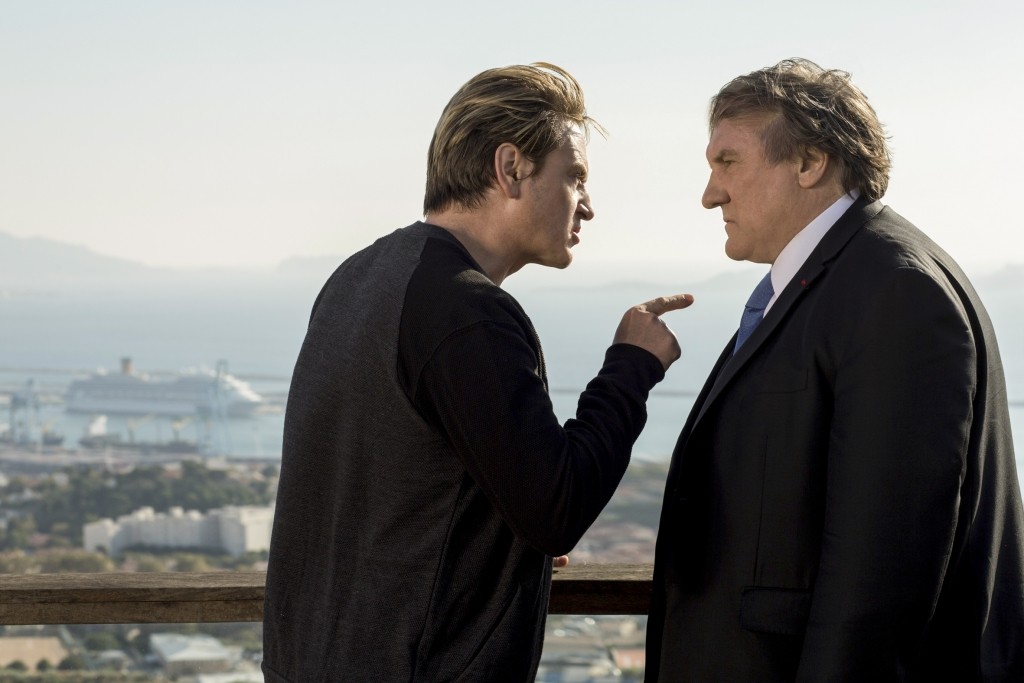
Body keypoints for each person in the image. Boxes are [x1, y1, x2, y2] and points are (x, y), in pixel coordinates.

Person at [261, 63, 692, 682]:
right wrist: (632, 365)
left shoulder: (358, 277)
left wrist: (501, 542)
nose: (588, 206)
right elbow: (556, 511)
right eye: (574, 176)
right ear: (511, 167)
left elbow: (398, 479)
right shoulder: (467, 311)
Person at [646, 59, 1024, 681]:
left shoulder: (896, 292)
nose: (710, 193)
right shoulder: (844, 279)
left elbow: (882, 576)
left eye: (728, 162)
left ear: (810, 162)